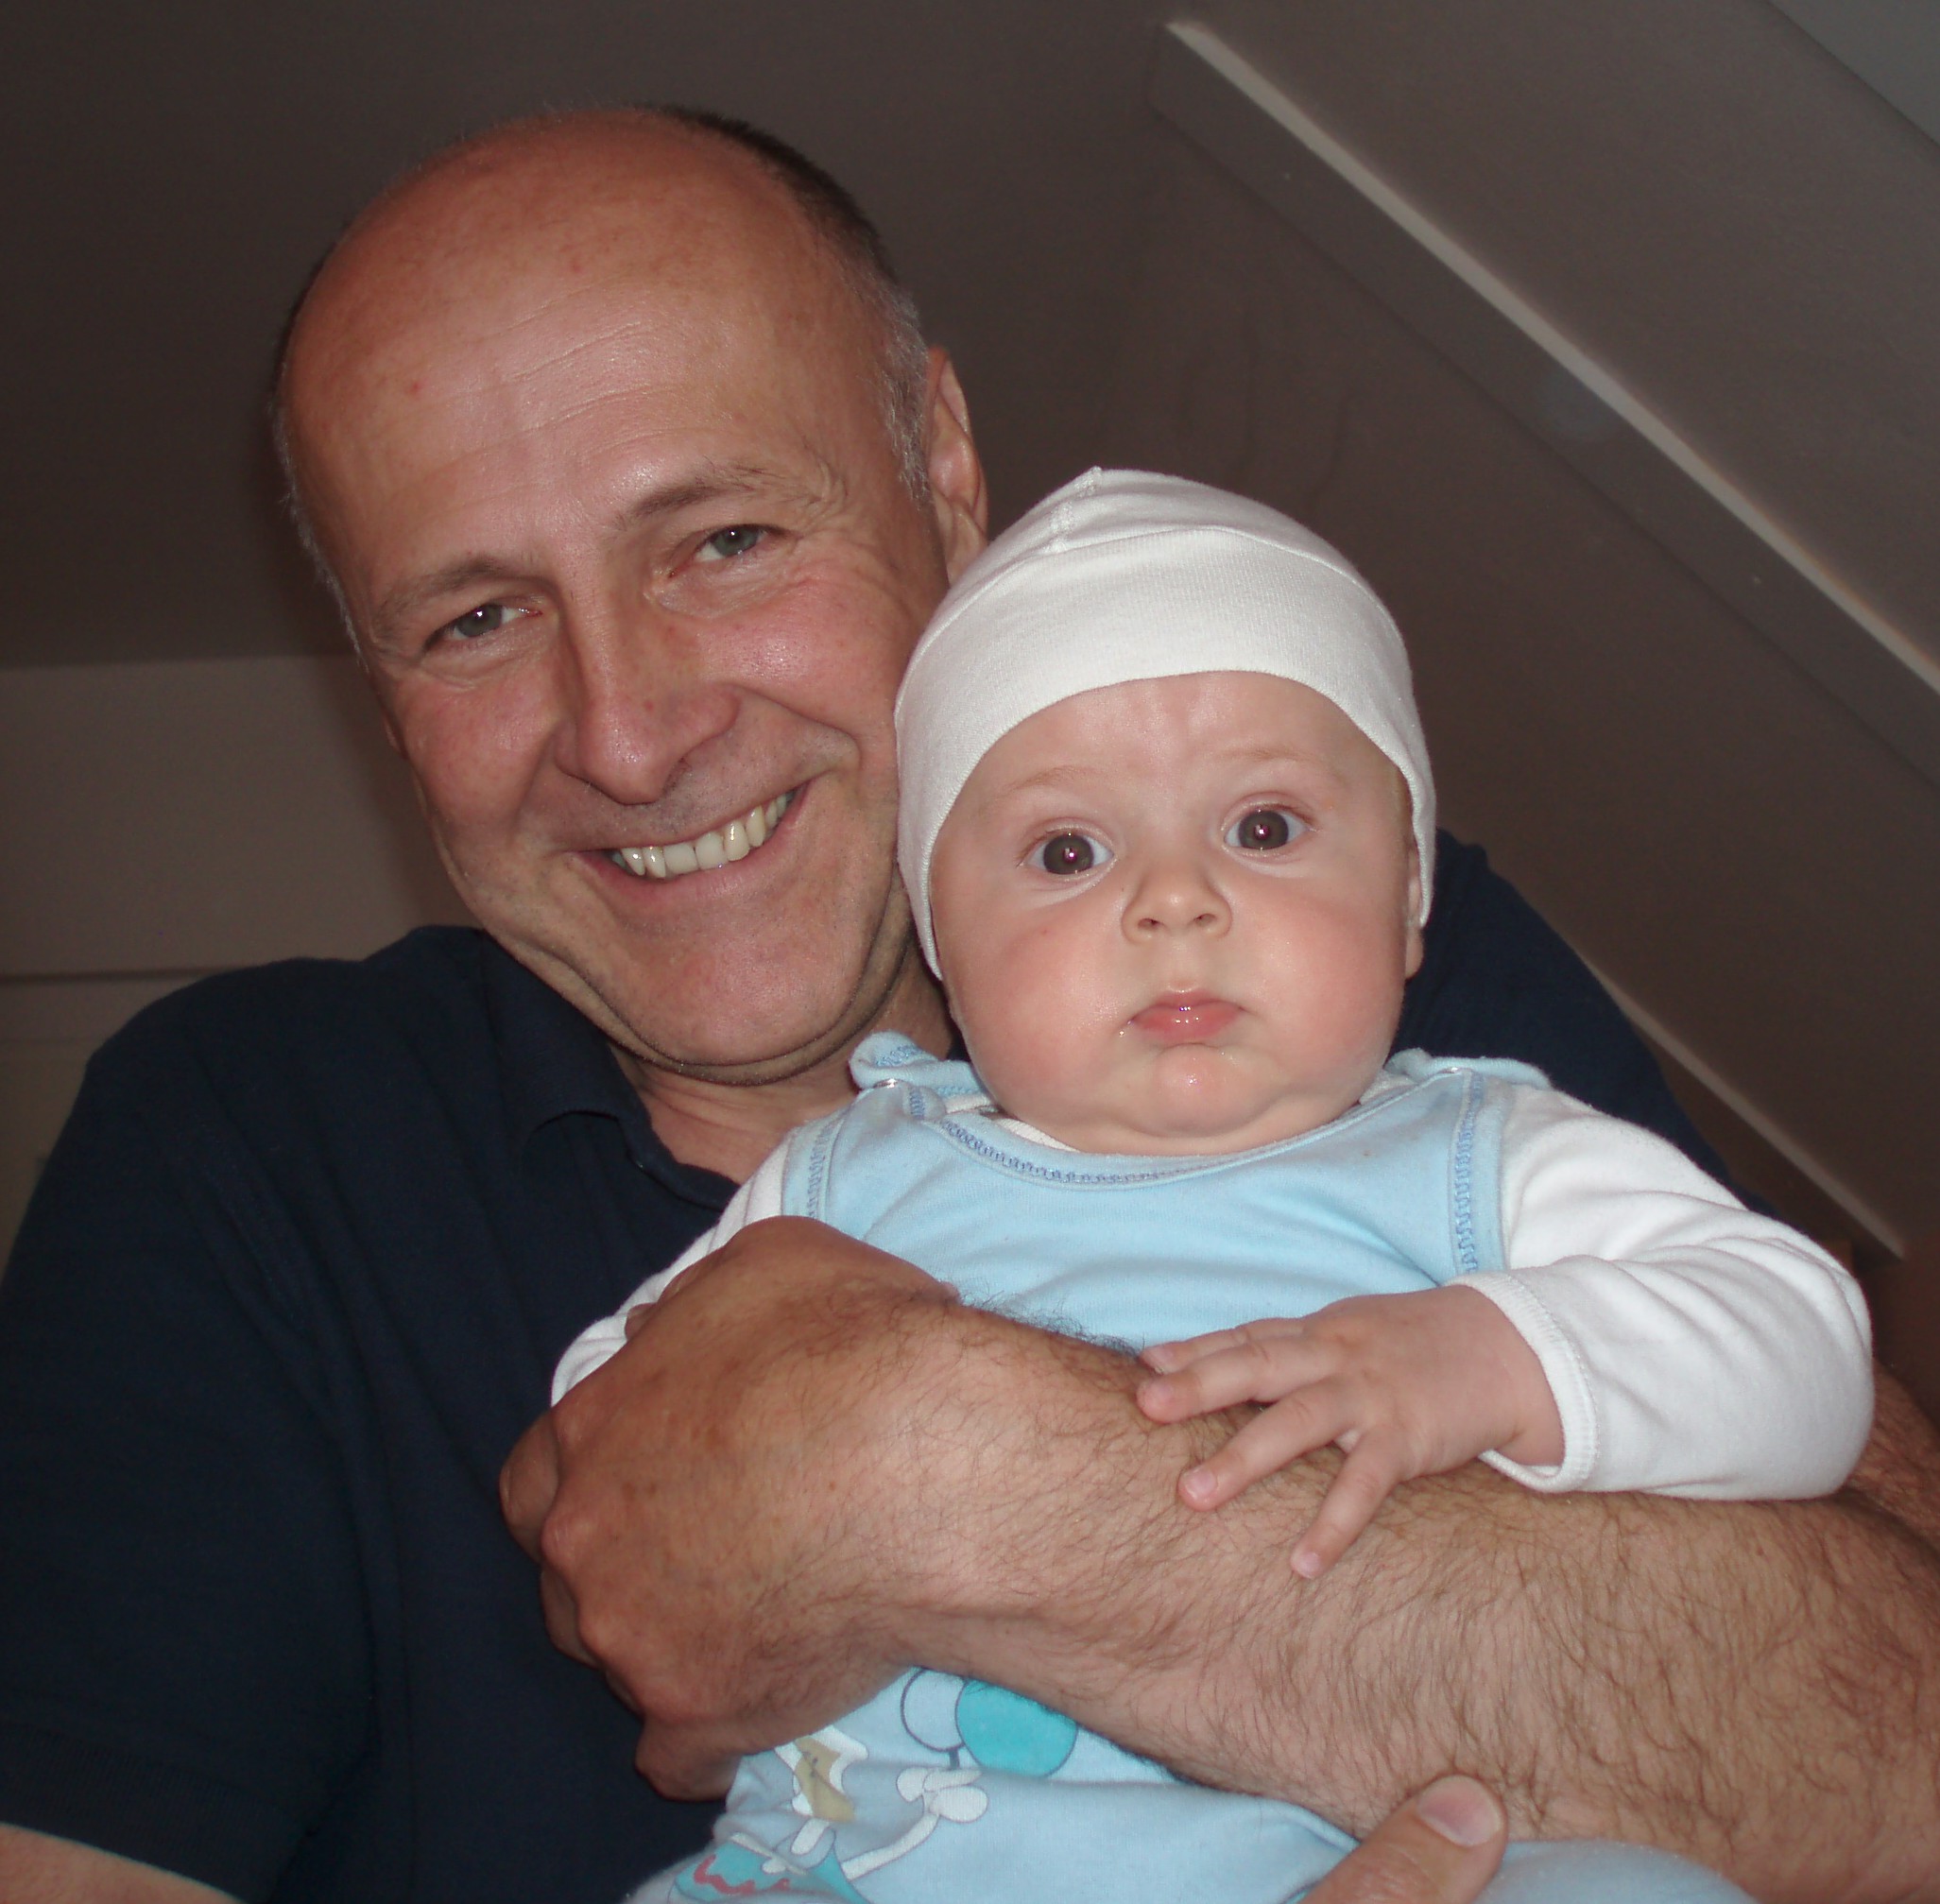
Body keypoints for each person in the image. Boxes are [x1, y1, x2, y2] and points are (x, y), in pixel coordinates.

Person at [0, 108, 1936, 1904]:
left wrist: (930, 1470)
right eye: (474, 619)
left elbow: (1902, 1739)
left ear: (940, 472)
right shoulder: (246, 1143)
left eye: (725, 540)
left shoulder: (1346, 964)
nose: (626, 734)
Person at [554, 468, 1867, 1902]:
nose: (1173, 900)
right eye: (1067, 852)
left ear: (1407, 894)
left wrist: (1493, 1356)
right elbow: (613, 1442)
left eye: (1264, 829)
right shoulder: (846, 1175)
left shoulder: (1485, 1156)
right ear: (944, 946)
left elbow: (1800, 1343)